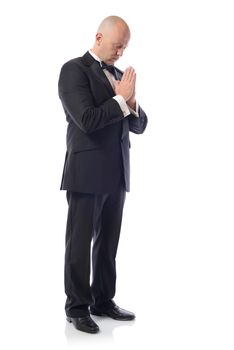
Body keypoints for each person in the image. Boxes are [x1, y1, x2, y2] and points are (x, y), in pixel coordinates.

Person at [58, 15, 148, 334]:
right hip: (86, 171)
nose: (121, 52)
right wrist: (121, 100)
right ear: (98, 38)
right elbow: (86, 119)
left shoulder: (120, 75)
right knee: (80, 243)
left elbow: (138, 124)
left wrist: (132, 103)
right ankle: (77, 307)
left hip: (117, 172)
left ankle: (102, 300)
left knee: (108, 242)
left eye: (125, 47)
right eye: (116, 45)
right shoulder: (73, 70)